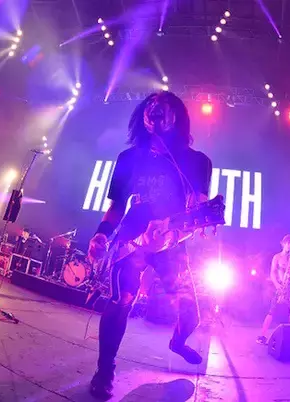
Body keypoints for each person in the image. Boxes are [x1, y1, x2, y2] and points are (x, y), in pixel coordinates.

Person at [87, 91, 212, 400]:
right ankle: (104, 371)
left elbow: (199, 215)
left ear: (177, 116)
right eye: (149, 108)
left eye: (162, 108)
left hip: (172, 240)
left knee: (191, 313)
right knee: (121, 301)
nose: (154, 111)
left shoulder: (197, 162)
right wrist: (101, 234)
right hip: (133, 237)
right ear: (143, 117)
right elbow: (117, 207)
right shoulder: (129, 158)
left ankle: (178, 342)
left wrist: (171, 234)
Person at [256, 234, 290, 345]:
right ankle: (262, 335)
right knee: (272, 311)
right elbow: (272, 273)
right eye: (289, 243)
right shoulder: (277, 257)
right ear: (284, 243)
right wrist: (277, 285)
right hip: (280, 286)